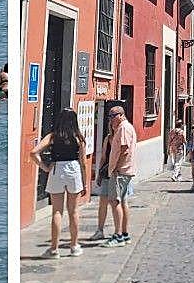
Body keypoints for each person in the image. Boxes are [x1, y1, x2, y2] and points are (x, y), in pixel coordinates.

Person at [29, 108, 88, 258]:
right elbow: (83, 163)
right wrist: (85, 182)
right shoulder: (79, 138)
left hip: (57, 170)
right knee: (74, 211)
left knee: (57, 211)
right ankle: (74, 246)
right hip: (73, 169)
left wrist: (45, 167)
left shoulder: (53, 136)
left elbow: (33, 152)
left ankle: (54, 249)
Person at [99, 106, 136, 247]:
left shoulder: (123, 128)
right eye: (109, 116)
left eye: (113, 116)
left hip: (120, 172)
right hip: (123, 171)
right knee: (122, 202)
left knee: (115, 202)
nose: (110, 119)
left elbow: (123, 149)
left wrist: (114, 168)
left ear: (121, 115)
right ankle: (125, 234)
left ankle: (118, 235)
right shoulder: (123, 128)